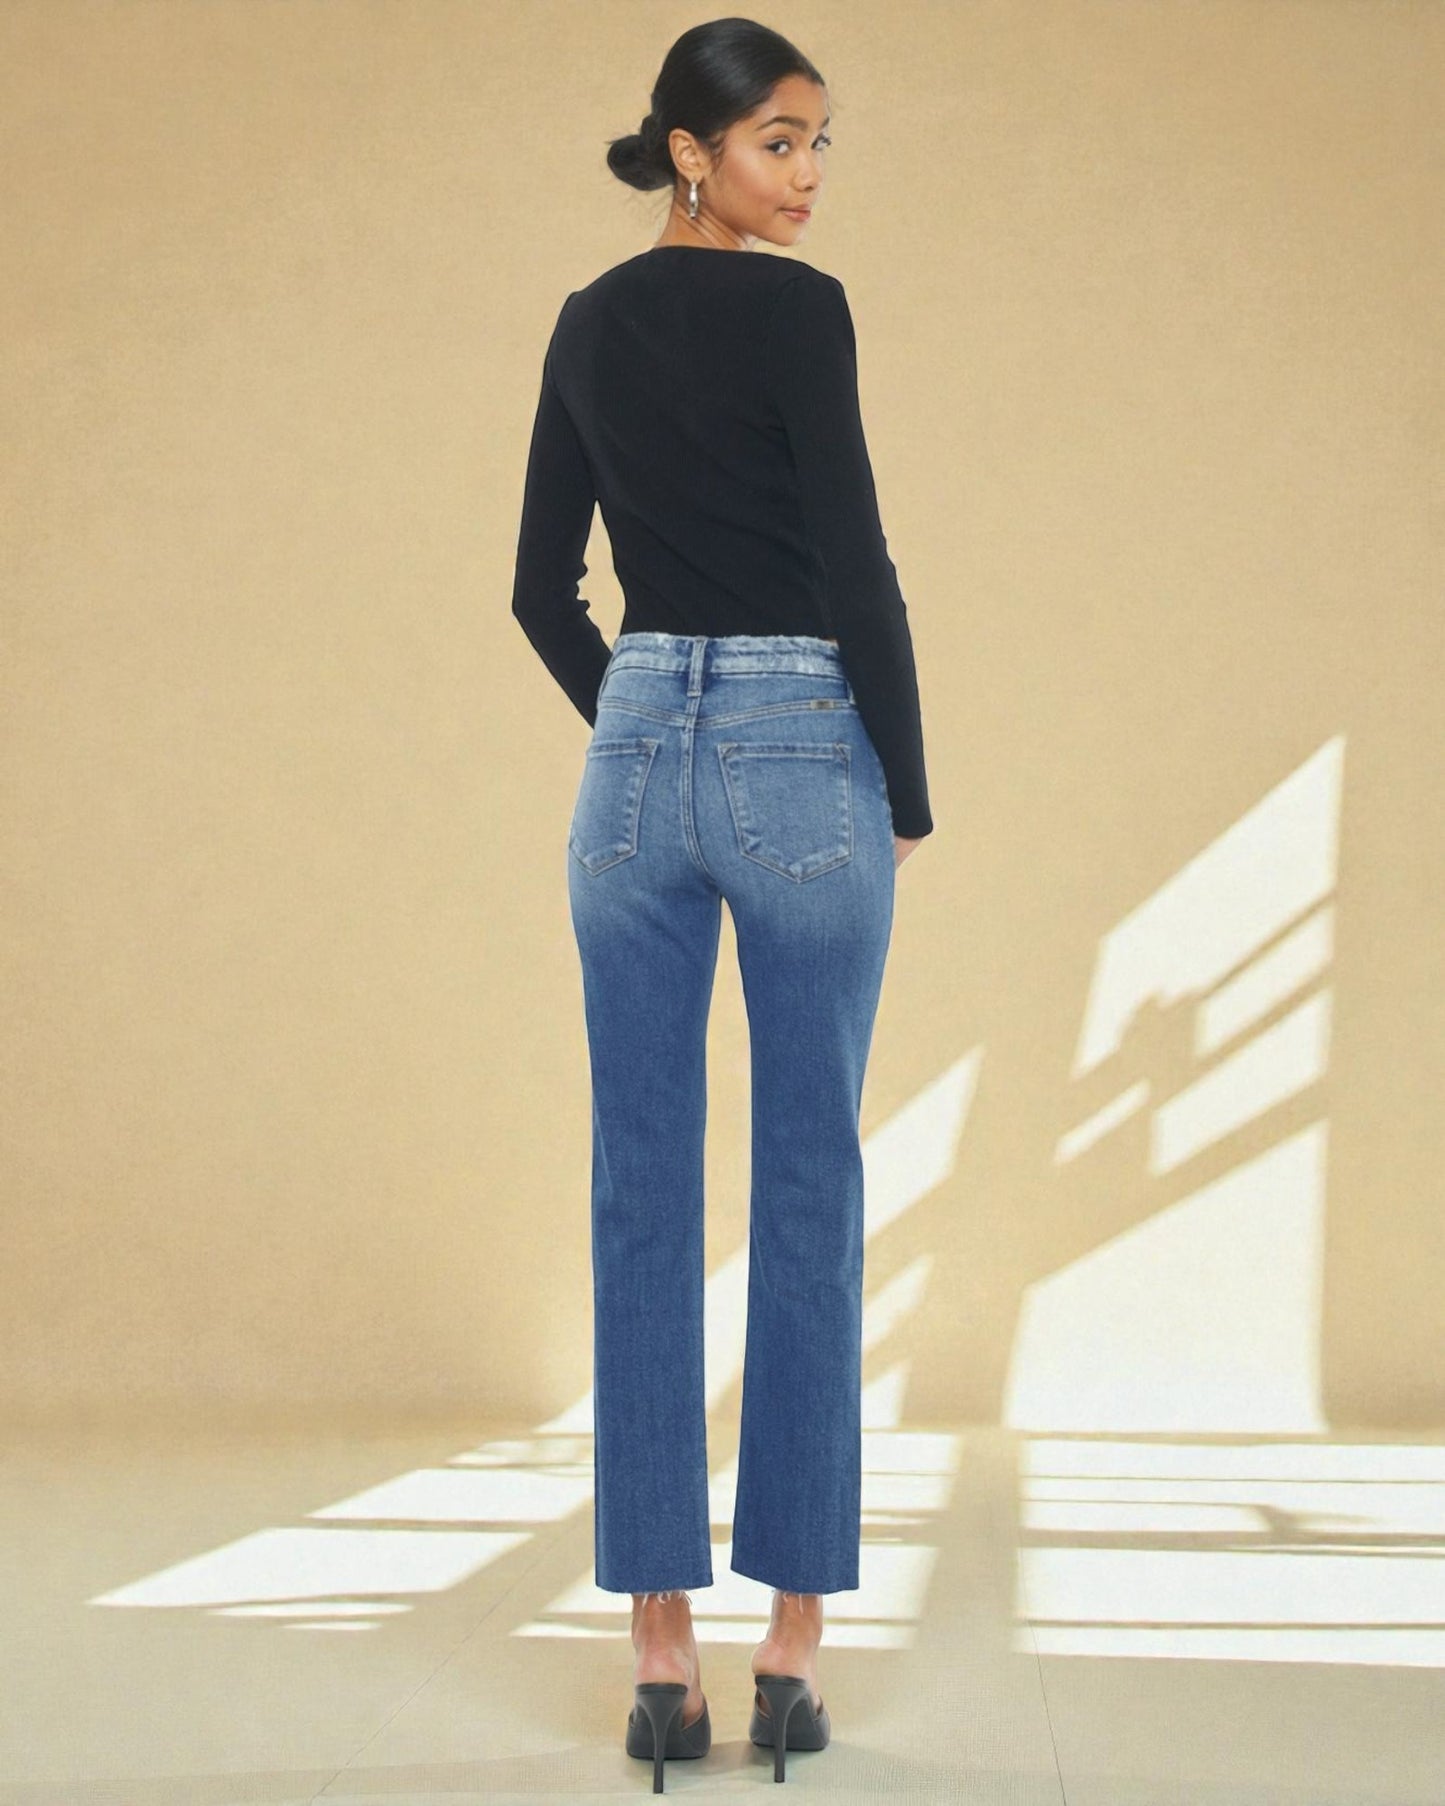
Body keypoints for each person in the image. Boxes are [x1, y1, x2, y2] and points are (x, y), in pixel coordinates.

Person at [510, 16, 933, 1791]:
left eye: (822, 143)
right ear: (692, 150)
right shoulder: (796, 312)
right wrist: (896, 782)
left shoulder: (586, 322)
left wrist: (636, 716)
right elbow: (851, 554)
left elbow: (541, 590)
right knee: (813, 1176)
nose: (809, 175)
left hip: (629, 773)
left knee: (638, 1182)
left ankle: (656, 1653)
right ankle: (787, 1644)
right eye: (778, 143)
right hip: (795, 746)